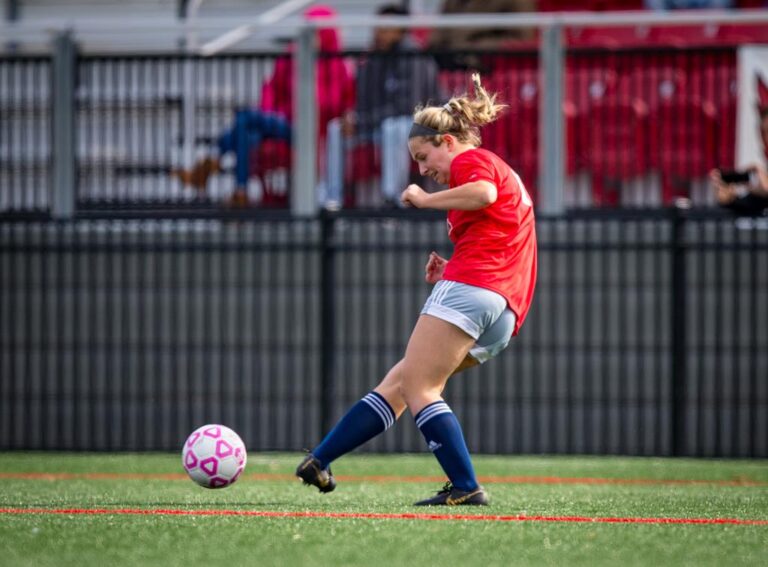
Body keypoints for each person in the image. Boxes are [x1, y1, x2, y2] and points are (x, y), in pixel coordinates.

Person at [296, 74, 538, 506]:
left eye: (424, 158)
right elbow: (498, 227)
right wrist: (450, 264)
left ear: (447, 141)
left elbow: (482, 193)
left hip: (474, 287)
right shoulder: (497, 170)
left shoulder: (471, 162)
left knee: (420, 387)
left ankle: (466, 487)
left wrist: (424, 201)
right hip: (502, 307)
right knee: (404, 381)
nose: (423, 171)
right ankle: (320, 460)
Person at [174, 5, 355, 207]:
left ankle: (211, 166)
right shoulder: (290, 57)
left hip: (308, 132)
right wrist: (269, 117)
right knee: (247, 132)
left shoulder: (338, 68)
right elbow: (271, 91)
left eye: (316, 33)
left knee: (245, 120)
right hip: (280, 123)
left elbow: (334, 106)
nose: (310, 38)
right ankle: (239, 191)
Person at [324, 4, 441, 208]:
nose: (380, 33)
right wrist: (354, 119)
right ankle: (333, 198)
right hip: (378, 122)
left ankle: (394, 197)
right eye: (378, 27)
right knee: (335, 128)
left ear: (400, 30)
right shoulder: (372, 58)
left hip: (420, 123)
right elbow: (364, 101)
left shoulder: (413, 55)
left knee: (393, 127)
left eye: (387, 28)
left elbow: (408, 106)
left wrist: (364, 120)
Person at [427, 0, 536, 72]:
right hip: (449, 64)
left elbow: (522, 39)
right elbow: (439, 32)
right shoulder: (453, 3)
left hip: (490, 69)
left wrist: (476, 48)